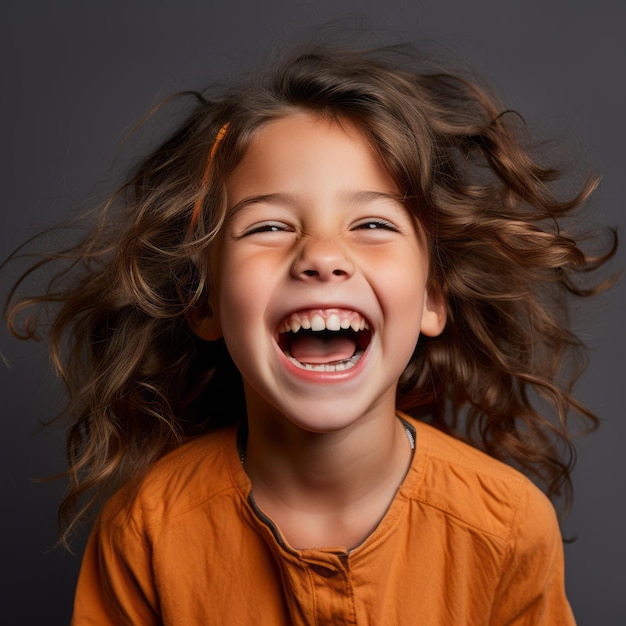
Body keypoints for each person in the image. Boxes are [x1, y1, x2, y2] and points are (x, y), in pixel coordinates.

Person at [3, 43, 617, 625]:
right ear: (204, 304)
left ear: (432, 298)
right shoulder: (146, 530)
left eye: (372, 222)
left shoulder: (507, 527)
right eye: (268, 226)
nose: (322, 256)